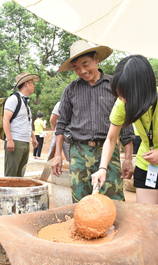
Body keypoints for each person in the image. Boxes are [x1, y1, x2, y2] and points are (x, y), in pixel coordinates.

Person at [91, 55, 158, 216]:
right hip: (148, 166)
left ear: (142, 89)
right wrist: (102, 168)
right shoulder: (122, 104)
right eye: (119, 95)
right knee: (147, 221)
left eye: (125, 95)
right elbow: (111, 138)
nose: (122, 100)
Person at [52, 40, 134, 202]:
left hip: (108, 151)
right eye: (76, 67)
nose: (82, 71)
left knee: (114, 198)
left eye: (85, 64)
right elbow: (61, 126)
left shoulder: (114, 86)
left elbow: (126, 126)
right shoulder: (71, 90)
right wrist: (57, 155)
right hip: (79, 153)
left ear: (96, 59)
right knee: (80, 201)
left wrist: (129, 159)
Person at [3, 73, 39, 177]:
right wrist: (9, 140)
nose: (34, 85)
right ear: (26, 84)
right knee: (11, 175)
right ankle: (9, 193)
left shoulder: (26, 102)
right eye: (32, 83)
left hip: (25, 141)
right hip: (15, 141)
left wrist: (33, 138)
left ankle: (17, 193)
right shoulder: (13, 99)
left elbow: (27, 122)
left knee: (20, 175)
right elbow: (5, 119)